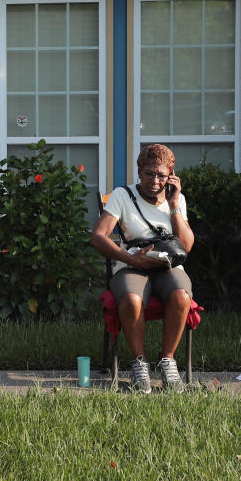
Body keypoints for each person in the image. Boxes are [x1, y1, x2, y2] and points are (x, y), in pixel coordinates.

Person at [90, 144, 195, 393]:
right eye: (149, 174)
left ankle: (168, 361)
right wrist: (131, 259)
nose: (155, 181)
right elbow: (98, 236)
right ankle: (140, 363)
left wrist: (173, 206)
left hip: (167, 267)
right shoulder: (122, 195)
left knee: (181, 295)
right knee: (131, 299)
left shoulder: (176, 199)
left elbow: (187, 245)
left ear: (171, 175)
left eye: (161, 175)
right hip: (132, 265)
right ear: (139, 170)